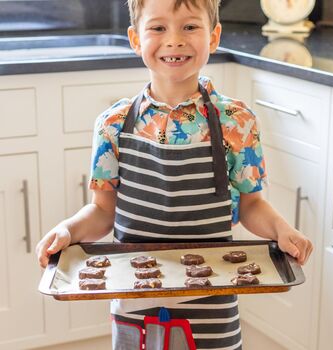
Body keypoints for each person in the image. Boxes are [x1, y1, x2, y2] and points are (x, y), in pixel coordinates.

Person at [36, 0, 313, 349]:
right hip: (134, 298)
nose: (174, 40)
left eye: (190, 27)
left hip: (212, 299)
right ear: (136, 40)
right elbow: (103, 210)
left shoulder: (237, 122)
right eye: (158, 28)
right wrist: (67, 230)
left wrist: (282, 231)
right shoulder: (113, 124)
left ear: (213, 38)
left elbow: (251, 205)